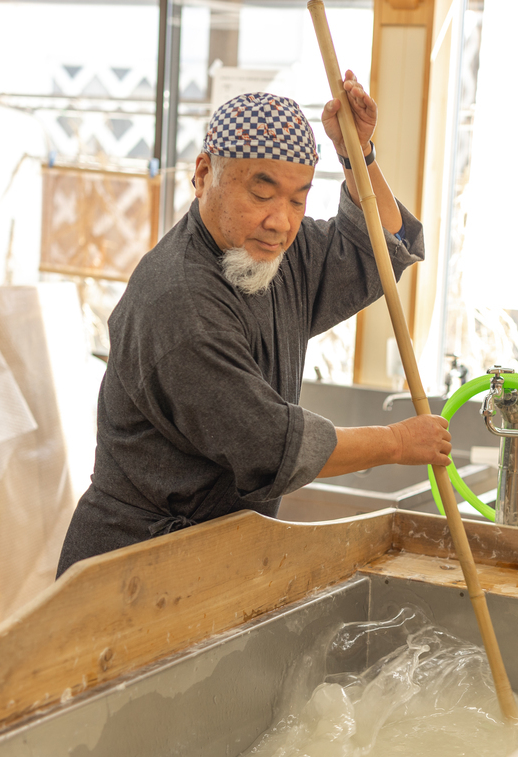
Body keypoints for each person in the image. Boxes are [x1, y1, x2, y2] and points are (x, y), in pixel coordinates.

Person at [57, 75, 451, 575]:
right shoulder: (180, 303)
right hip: (134, 565)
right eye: (261, 193)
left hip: (220, 555)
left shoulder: (273, 253)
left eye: (298, 199)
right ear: (203, 175)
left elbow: (374, 246)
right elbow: (271, 444)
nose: (281, 222)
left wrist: (358, 153)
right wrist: (396, 442)